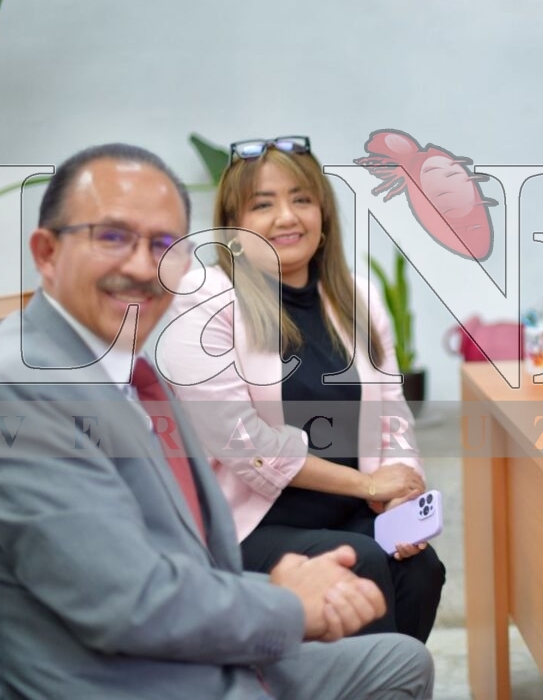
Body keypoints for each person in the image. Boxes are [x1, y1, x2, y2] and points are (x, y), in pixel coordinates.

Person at [0, 143, 434, 699]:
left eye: (163, 244)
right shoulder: (24, 390)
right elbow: (127, 603)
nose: (140, 265)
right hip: (120, 680)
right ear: (47, 252)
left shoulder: (122, 367)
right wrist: (287, 604)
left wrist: (390, 491)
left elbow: (173, 555)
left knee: (402, 660)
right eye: (111, 237)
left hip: (180, 645)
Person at [159, 136, 445, 643]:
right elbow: (244, 444)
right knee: (362, 565)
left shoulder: (358, 295)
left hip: (352, 511)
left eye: (301, 199)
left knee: (420, 570)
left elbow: (392, 416)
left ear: (324, 214)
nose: (287, 217)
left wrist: (402, 489)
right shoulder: (204, 298)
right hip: (248, 524)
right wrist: (366, 486)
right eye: (263, 204)